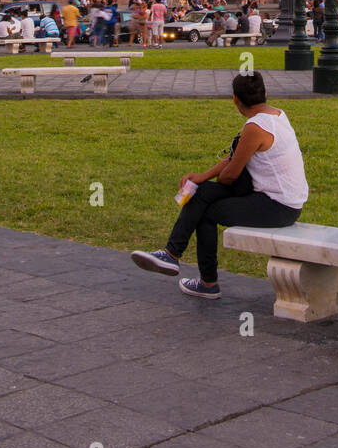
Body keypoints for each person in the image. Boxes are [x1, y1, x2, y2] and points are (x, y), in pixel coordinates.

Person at [131, 72, 308, 298]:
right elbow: (233, 160)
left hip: (278, 207)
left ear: (235, 99)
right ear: (265, 94)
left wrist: (219, 179)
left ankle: (203, 279)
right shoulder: (277, 115)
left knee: (205, 212)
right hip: (274, 197)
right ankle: (172, 256)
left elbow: (230, 175)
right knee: (200, 193)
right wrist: (203, 177)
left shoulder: (255, 127)